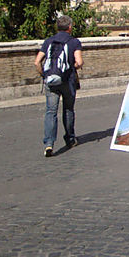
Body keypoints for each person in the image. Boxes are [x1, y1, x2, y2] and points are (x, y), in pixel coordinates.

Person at [34, 14, 83, 157]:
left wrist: (44, 75)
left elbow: (37, 62)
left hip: (51, 81)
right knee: (68, 110)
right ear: (70, 27)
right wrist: (71, 68)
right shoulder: (74, 42)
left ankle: (49, 144)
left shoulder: (49, 41)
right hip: (67, 81)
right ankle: (70, 138)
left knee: (51, 112)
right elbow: (79, 62)